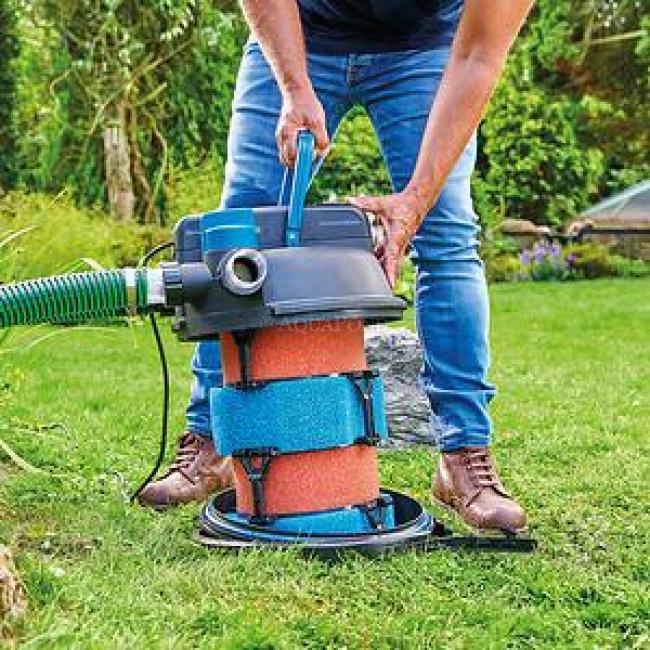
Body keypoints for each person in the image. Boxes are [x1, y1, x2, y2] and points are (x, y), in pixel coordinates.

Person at [139, 0, 534, 535]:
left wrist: (415, 201)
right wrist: (295, 88)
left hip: (426, 50)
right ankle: (212, 440)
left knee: (446, 236)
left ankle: (464, 454)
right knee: (235, 236)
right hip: (299, 30)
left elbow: (480, 56)